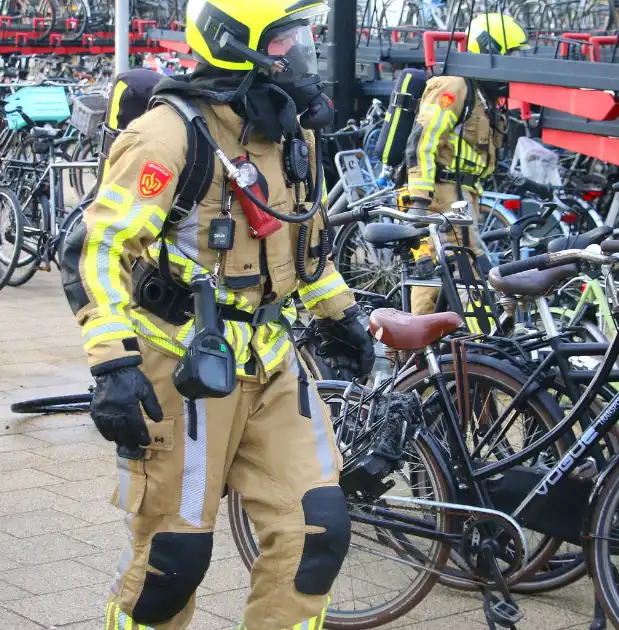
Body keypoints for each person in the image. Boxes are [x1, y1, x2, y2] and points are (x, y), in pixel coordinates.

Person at [61, 1, 373, 627]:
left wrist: (341, 316)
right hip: (183, 369)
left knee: (317, 533)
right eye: (287, 41)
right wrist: (113, 365)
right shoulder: (168, 135)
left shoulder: (290, 135)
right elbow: (96, 250)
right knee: (173, 563)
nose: (302, 55)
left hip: (273, 361)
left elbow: (304, 255)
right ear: (238, 46)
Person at [405, 13, 526, 315]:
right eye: (510, 56)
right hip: (441, 192)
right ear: (489, 49)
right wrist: (420, 201)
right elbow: (423, 141)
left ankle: (457, 350)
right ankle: (415, 352)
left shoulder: (483, 94)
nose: (515, 65)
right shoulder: (454, 86)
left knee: (466, 268)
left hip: (464, 194)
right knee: (439, 270)